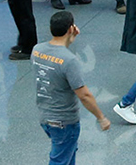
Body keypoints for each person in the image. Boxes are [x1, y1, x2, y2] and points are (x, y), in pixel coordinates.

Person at [35, 11, 111, 164]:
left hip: (45, 116)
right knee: (60, 160)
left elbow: (55, 59)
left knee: (67, 154)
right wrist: (101, 118)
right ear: (71, 29)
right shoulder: (69, 60)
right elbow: (84, 95)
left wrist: (70, 38)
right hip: (64, 121)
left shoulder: (37, 50)